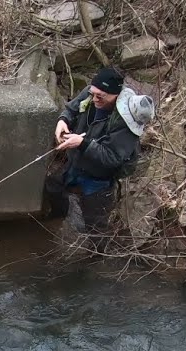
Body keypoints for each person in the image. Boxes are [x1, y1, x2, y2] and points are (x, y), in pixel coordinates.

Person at [44, 67, 155, 234]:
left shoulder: (125, 122)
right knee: (53, 187)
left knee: (95, 223)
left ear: (115, 95)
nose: (94, 99)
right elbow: (71, 108)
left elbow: (112, 158)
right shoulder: (92, 92)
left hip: (98, 177)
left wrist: (82, 143)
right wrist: (63, 120)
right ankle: (59, 215)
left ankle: (97, 254)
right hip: (75, 163)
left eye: (100, 97)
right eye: (92, 93)